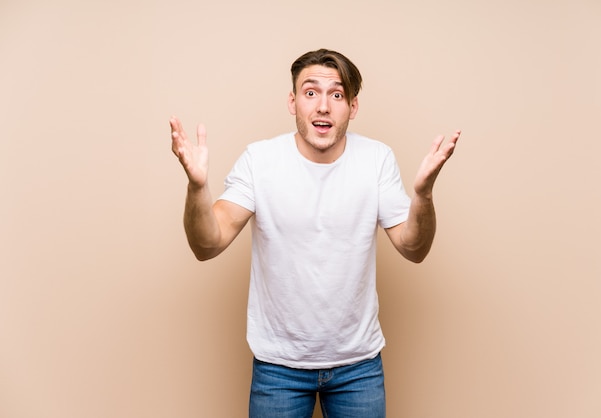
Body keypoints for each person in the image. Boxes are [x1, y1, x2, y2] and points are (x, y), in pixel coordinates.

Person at [170, 48, 460, 418]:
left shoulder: (376, 159)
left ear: (352, 106)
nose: (323, 106)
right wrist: (197, 188)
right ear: (293, 102)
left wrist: (423, 196)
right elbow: (207, 244)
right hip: (278, 368)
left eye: (337, 95)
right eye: (311, 92)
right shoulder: (260, 161)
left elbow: (413, 247)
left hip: (359, 367)